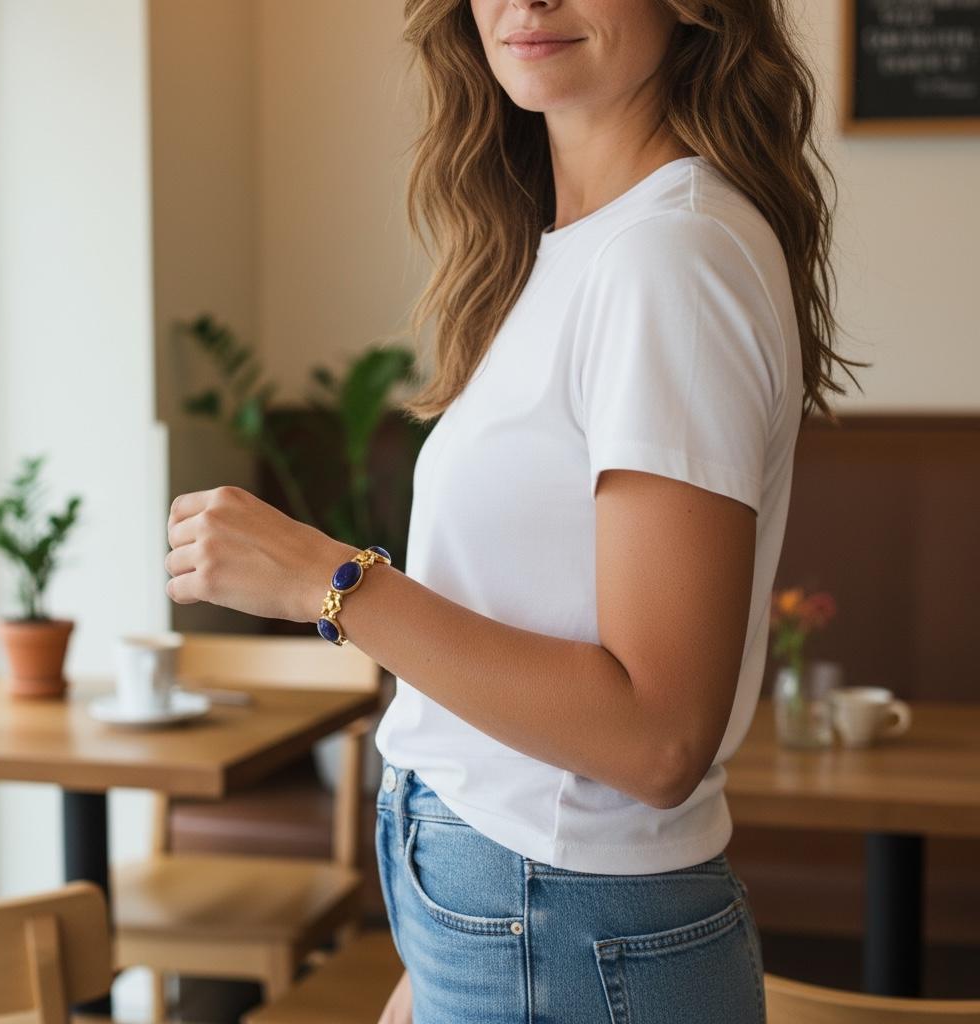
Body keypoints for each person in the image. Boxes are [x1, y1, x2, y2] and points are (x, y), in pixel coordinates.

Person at [164, 0, 868, 1020]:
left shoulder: (667, 259)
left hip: (561, 917)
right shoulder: (571, 247)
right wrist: (444, 941)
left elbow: (658, 735)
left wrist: (332, 583)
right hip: (516, 915)